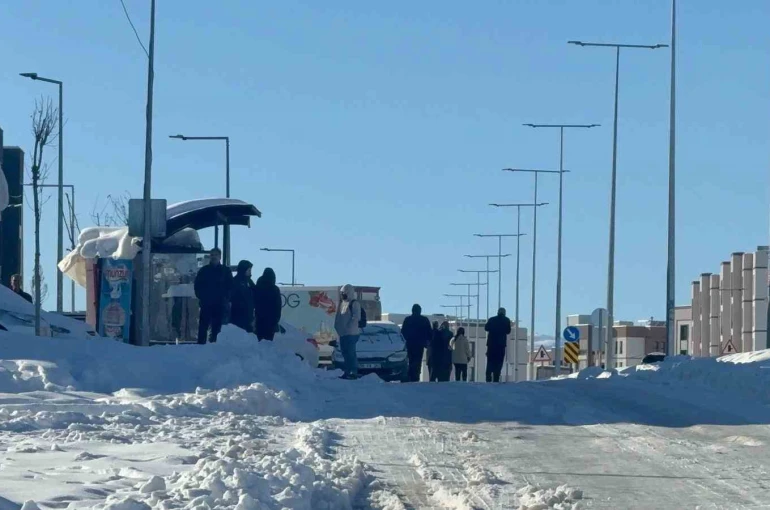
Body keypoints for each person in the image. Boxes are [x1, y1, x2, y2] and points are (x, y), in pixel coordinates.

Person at [194, 248, 233, 344]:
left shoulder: (225, 271)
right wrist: (202, 297)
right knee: (203, 327)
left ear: (220, 257)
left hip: (220, 304)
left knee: (217, 328)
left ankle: (214, 346)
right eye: (212, 255)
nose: (214, 257)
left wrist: (225, 298)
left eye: (216, 255)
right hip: (206, 304)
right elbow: (197, 286)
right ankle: (201, 346)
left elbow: (230, 286)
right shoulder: (204, 271)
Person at [334, 284, 361, 379]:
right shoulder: (342, 304)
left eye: (343, 293)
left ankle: (353, 371)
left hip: (351, 333)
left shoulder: (354, 303)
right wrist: (337, 327)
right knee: (345, 353)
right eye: (341, 293)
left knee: (351, 353)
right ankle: (347, 371)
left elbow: (356, 317)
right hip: (343, 334)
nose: (342, 295)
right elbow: (338, 317)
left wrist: (348, 327)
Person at [401, 304, 432, 382]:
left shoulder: (407, 320)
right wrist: (428, 343)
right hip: (420, 344)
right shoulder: (424, 320)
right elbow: (429, 333)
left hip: (410, 344)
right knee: (417, 360)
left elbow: (403, 332)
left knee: (410, 360)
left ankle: (410, 375)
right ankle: (416, 376)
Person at [253, 267, 282, 341]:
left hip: (259, 320)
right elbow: (278, 306)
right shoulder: (275, 289)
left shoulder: (258, 287)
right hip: (271, 321)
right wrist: (276, 319)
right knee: (268, 343)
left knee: (259, 341)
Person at [484, 307, 512, 382]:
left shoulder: (492, 319)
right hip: (501, 345)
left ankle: (488, 378)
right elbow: (508, 331)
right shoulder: (506, 320)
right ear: (504, 313)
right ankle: (496, 377)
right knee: (499, 361)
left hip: (491, 344)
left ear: (498, 312)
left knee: (490, 361)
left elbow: (486, 328)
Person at [230, 260, 256, 333]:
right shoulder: (235, 282)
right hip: (238, 316)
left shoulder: (249, 282)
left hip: (248, 316)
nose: (250, 272)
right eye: (249, 270)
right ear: (243, 270)